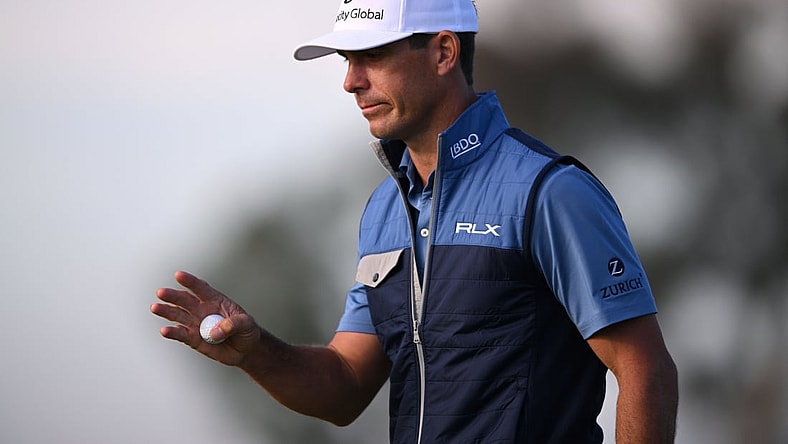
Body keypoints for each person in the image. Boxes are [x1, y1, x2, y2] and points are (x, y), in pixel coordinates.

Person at [150, 0, 679, 442]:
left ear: (444, 52)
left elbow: (644, 370)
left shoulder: (550, 191)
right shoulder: (384, 210)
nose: (351, 81)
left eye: (372, 56)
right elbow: (344, 386)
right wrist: (257, 353)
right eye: (346, 60)